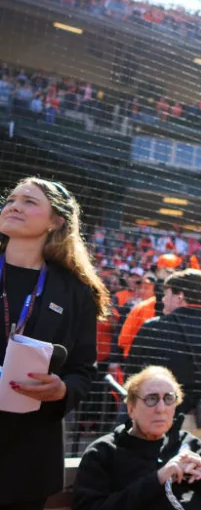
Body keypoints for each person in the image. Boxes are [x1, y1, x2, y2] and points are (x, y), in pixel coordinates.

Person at [0, 178, 108, 510]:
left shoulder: (77, 292)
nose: (15, 205)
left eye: (30, 202)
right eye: (12, 199)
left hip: (26, 456)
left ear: (56, 221)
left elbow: (83, 372)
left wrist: (61, 389)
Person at [127, 269, 201, 455]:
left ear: (180, 297)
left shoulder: (154, 328)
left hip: (160, 426)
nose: (162, 300)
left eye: (166, 295)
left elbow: (132, 374)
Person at [72, 366, 201, 510]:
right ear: (131, 409)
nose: (161, 408)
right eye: (151, 399)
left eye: (168, 398)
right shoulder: (103, 453)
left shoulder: (192, 446)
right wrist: (159, 479)